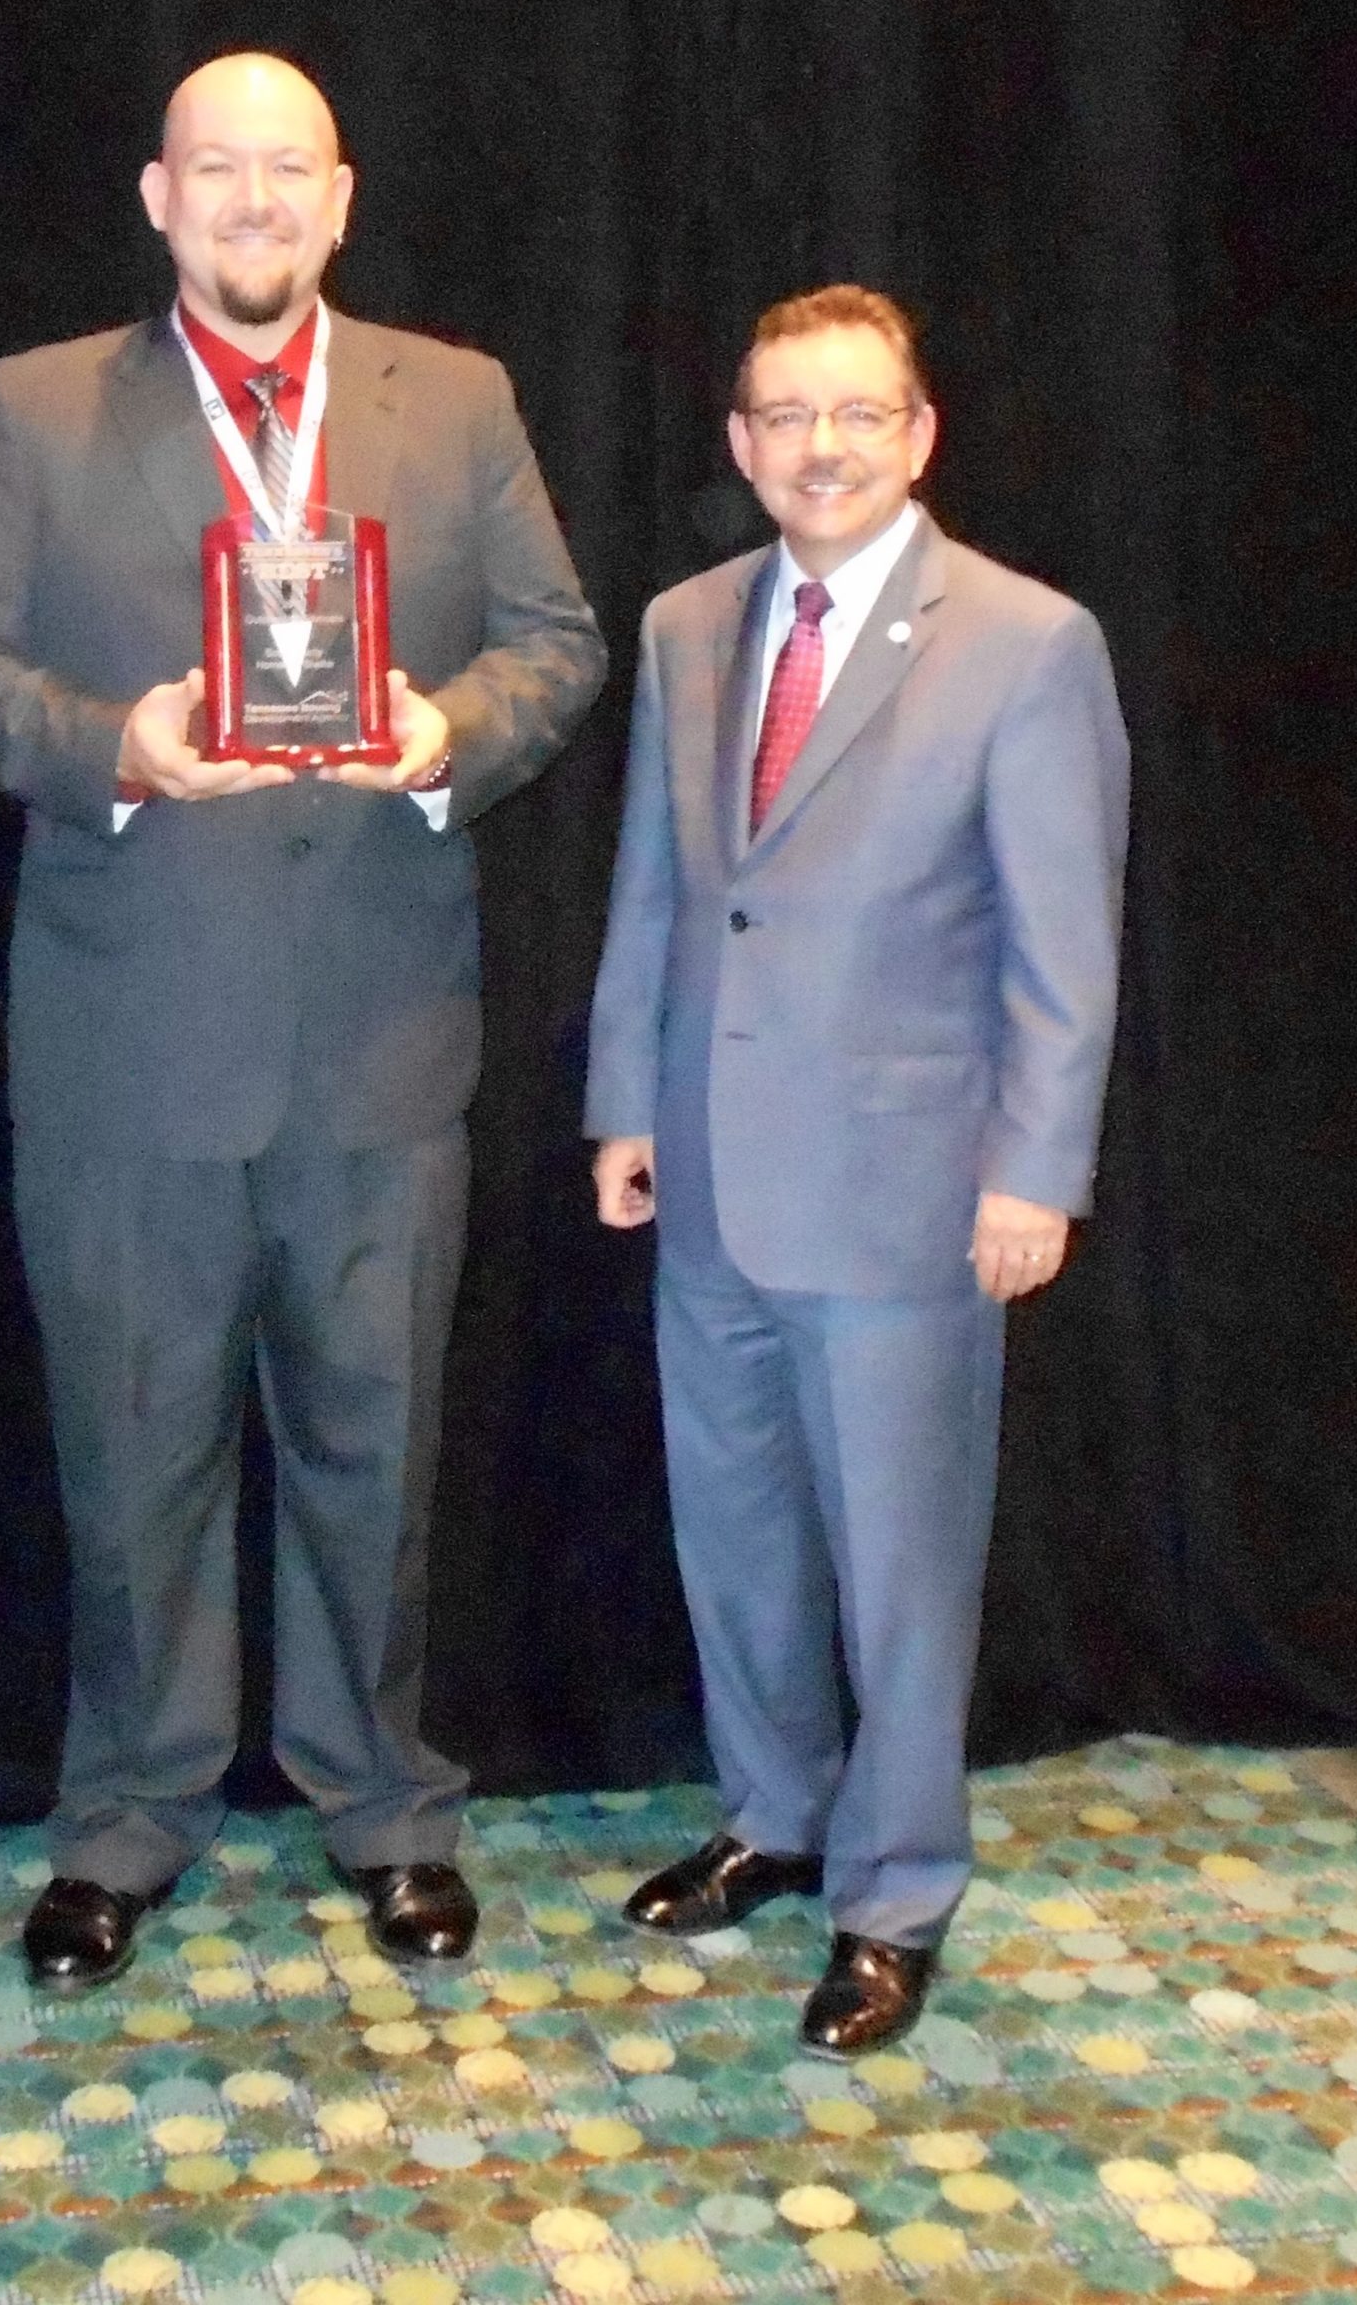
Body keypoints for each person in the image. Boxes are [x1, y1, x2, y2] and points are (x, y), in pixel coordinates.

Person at [0, 54, 604, 1990]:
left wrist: (445, 730)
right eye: (218, 169)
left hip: (380, 1039)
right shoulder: (35, 411)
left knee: (373, 1446)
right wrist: (107, 749)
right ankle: (127, 1816)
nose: (253, 200)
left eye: (285, 169)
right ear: (156, 194)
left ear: (340, 196)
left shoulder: (452, 403)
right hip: (130, 1047)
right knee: (132, 1462)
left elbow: (557, 641)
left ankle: (384, 1804)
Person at [585, 285, 1128, 2056]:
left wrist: (1034, 1173)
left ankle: (896, 1890)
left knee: (901, 1562)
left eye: (859, 415)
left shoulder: (1029, 643)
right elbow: (662, 892)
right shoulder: (684, 625)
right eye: (785, 417)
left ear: (919, 433)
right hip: (713, 1179)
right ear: (740, 443)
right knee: (732, 1529)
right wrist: (622, 1104)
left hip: (906, 1191)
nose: (821, 447)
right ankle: (774, 1814)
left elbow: (1067, 947)